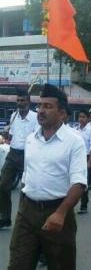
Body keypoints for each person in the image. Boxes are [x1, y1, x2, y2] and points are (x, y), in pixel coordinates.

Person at [8, 84, 87, 269]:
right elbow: (27, 177)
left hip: (58, 211)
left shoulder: (74, 141)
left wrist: (60, 213)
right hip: (27, 212)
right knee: (18, 264)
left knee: (60, 264)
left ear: (61, 113)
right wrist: (22, 208)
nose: (41, 111)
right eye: (40, 106)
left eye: (48, 106)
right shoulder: (31, 139)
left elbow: (79, 183)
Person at [0, 88, 38, 229]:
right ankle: (5, 218)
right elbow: (11, 136)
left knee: (25, 190)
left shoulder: (35, 117)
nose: (20, 103)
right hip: (13, 154)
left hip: (28, 155)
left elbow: (37, 137)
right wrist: (6, 134)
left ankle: (24, 220)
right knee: (3, 185)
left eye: (23, 101)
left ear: (28, 102)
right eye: (18, 101)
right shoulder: (13, 116)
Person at [75, 110, 91, 214]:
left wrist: (90, 162)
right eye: (79, 116)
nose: (81, 119)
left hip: (86, 157)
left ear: (88, 119)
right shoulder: (75, 129)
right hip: (76, 158)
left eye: (83, 117)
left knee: (83, 182)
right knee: (74, 181)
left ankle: (84, 205)